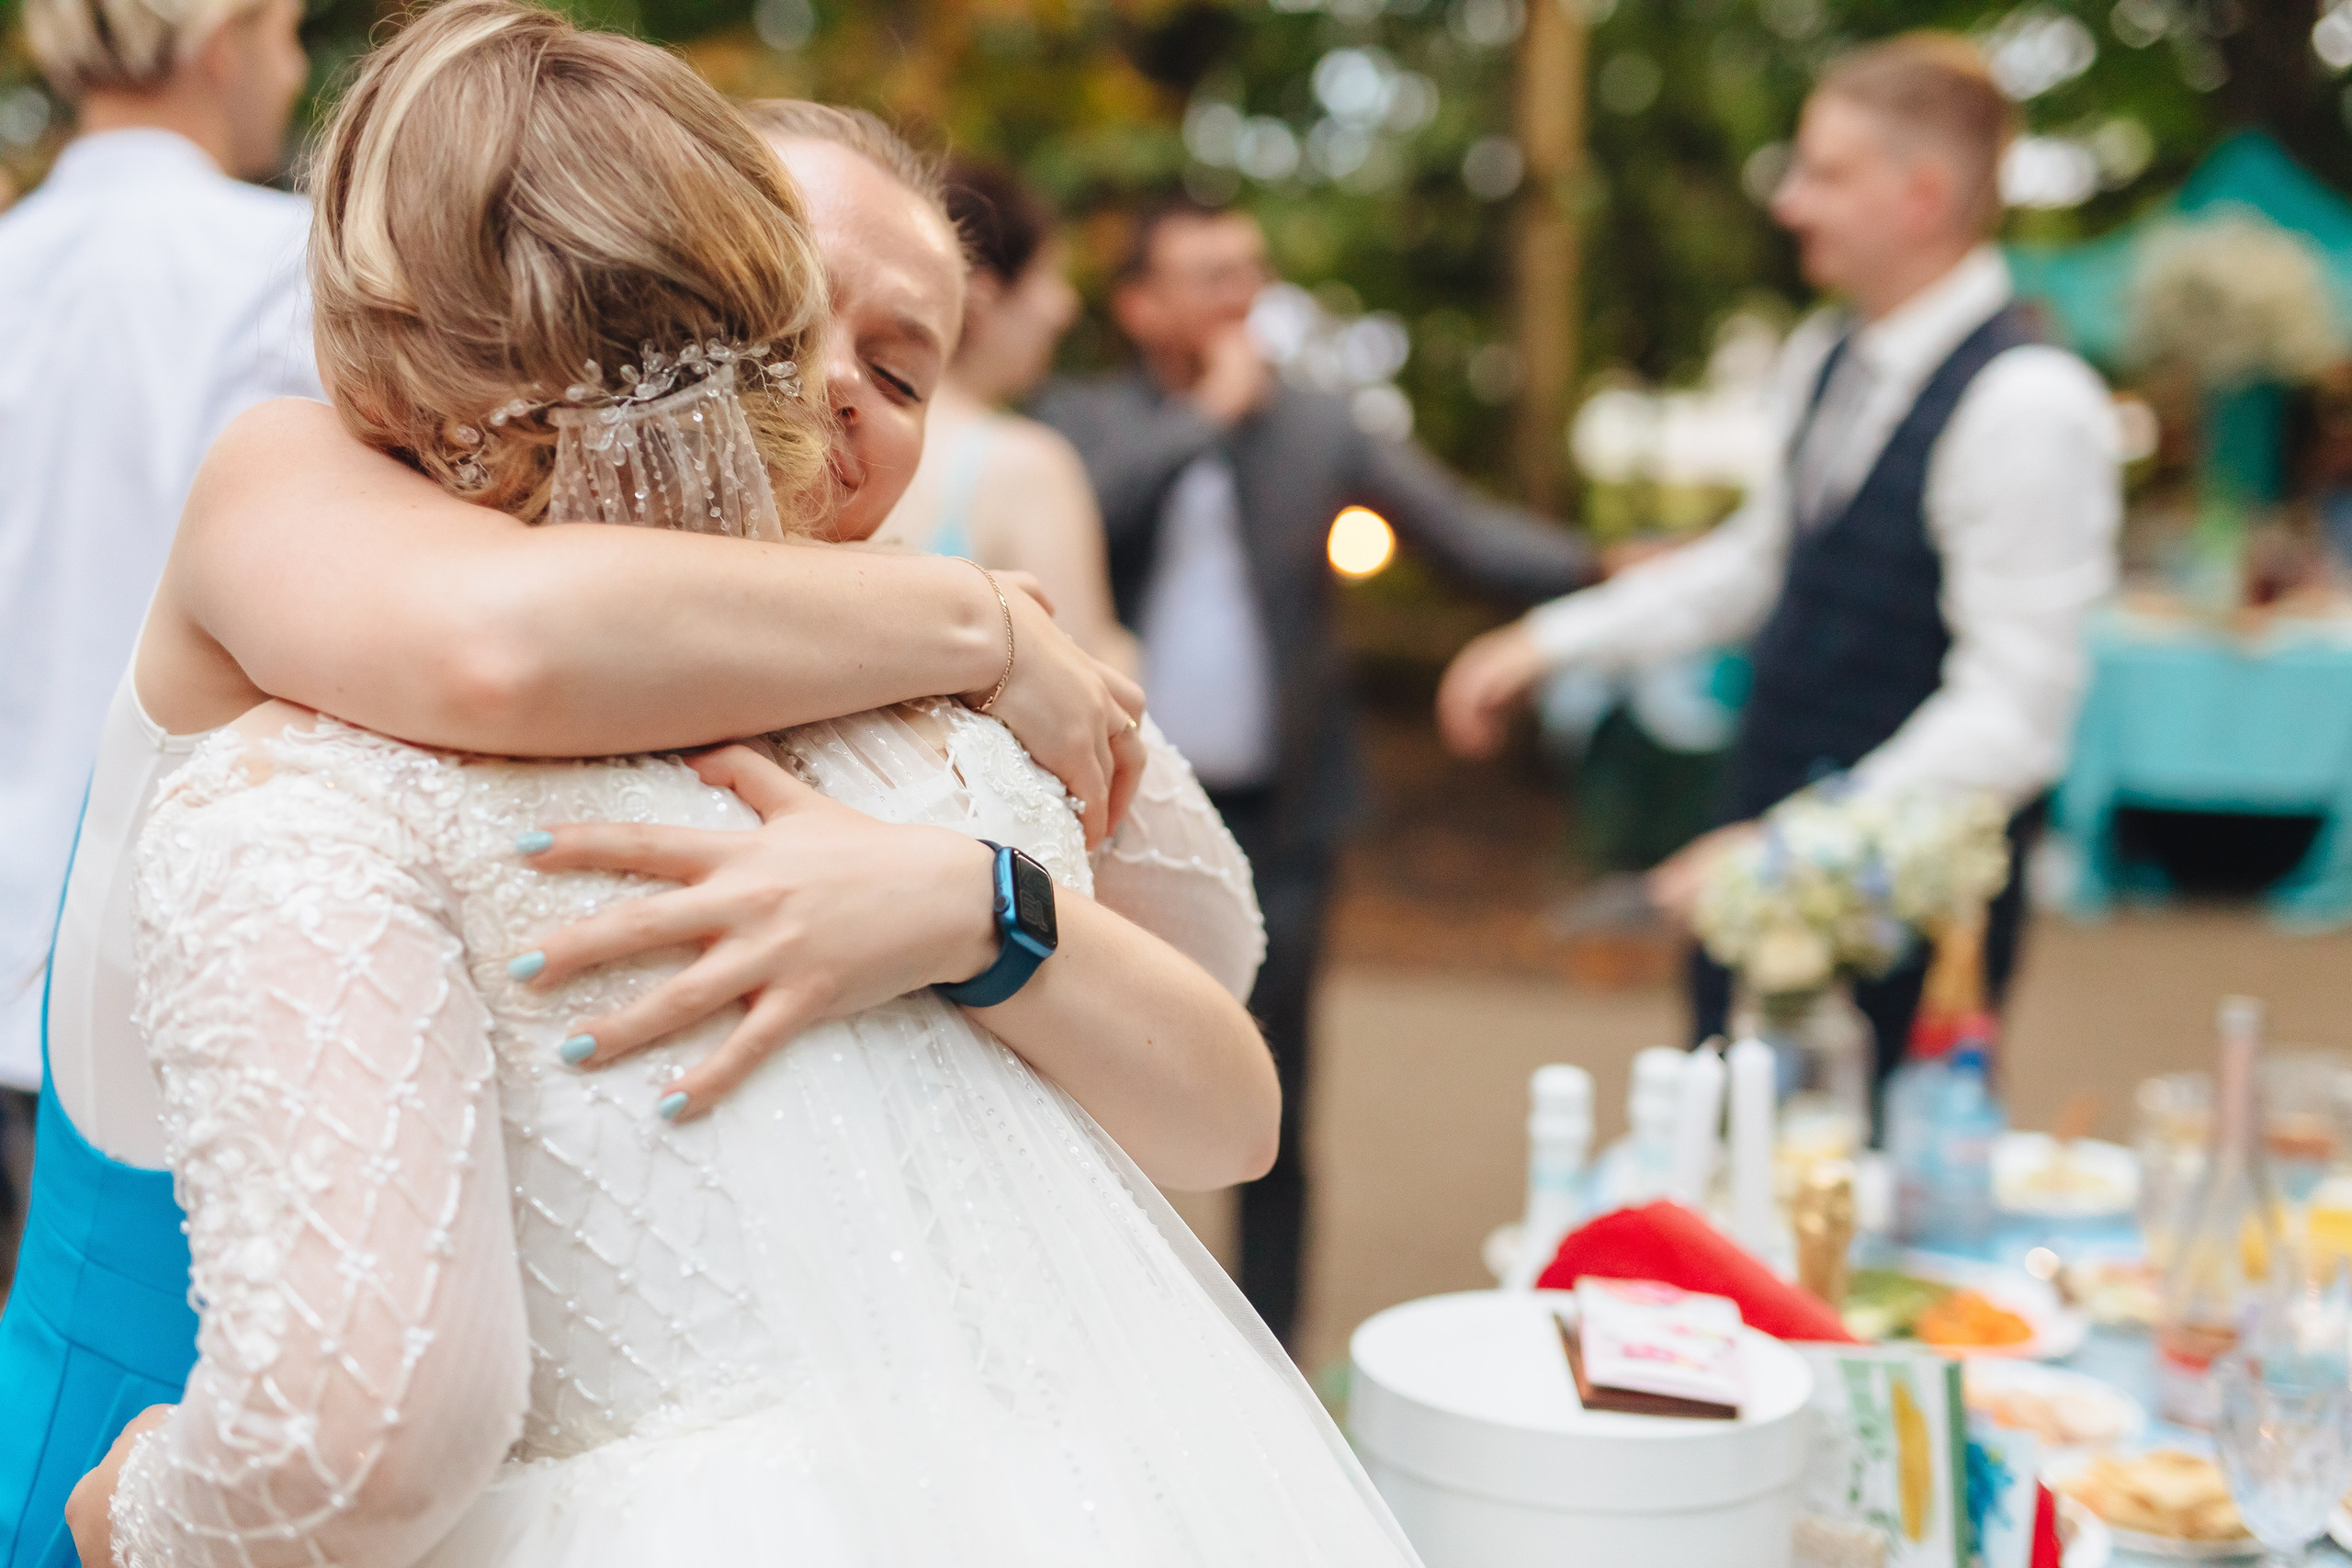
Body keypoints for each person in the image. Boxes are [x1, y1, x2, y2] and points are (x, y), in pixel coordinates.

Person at [63, 8, 1421, 1562]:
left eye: (906, 369)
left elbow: (1211, 1017)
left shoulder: (928, 707)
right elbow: (507, 645)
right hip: (207, 1299)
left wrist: (975, 902)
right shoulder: (322, 532)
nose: (840, 386)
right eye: (803, 320)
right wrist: (979, 622)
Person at [1439, 32, 2121, 1086]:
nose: (1789, 202)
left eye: (1826, 173)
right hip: (1755, 847)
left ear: (1923, 194)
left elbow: (2014, 716)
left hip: (1909, 925)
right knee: (1725, 1144)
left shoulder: (2028, 404)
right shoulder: (1825, 357)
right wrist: (1550, 643)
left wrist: (1792, 850)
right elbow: (1762, 563)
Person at [1033, 197, 1594, 1345]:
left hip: (1284, 815)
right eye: (1207, 276)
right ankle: (1109, 1340)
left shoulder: (1317, 426)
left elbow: (1462, 530)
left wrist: (1613, 570)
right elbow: (1090, 508)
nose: (1240, 298)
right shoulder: (1081, 422)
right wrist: (1208, 420)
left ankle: (1267, 1349)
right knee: (1095, 1080)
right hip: (1107, 820)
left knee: (1270, 1093)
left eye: (1250, 269)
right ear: (1139, 306)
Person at [0, 0, 312, 1290]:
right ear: (223, 39)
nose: (297, 74)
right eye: (294, 33)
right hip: (139, 994)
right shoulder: (288, 273)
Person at [872, 156, 1136, 671]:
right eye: (1050, 276)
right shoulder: (1027, 464)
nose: (1065, 307)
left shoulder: (840, 438)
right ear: (986, 296)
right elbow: (1086, 686)